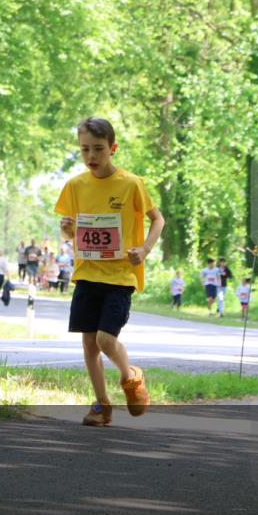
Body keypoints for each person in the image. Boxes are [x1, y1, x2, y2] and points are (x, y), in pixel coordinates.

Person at [55, 117, 165, 427]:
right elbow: (71, 233)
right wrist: (67, 230)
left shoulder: (131, 184)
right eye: (85, 149)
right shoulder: (75, 185)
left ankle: (130, 377)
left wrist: (143, 249)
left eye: (98, 149)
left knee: (105, 339)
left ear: (112, 149)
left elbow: (158, 220)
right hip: (87, 273)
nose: (91, 156)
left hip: (119, 277)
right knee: (89, 344)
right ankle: (102, 406)